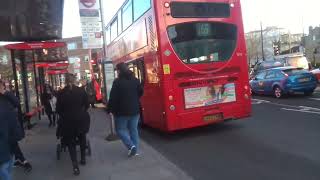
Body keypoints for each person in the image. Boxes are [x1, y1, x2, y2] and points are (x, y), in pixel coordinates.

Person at [56, 74, 90, 176]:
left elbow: (58, 110)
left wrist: (65, 115)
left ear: (65, 81)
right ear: (75, 80)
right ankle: (83, 158)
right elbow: (87, 105)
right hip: (81, 119)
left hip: (67, 121)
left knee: (70, 143)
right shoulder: (81, 91)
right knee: (82, 137)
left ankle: (75, 165)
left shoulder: (61, 93)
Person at [107, 63, 143, 157]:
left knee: (120, 130)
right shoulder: (135, 80)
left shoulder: (117, 82)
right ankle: (135, 149)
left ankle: (131, 147)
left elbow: (113, 98)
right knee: (133, 130)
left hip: (121, 112)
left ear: (119, 71)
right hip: (135, 110)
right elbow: (140, 92)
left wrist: (110, 109)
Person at [0, 79, 24, 180]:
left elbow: (17, 102)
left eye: (1, 86)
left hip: (11, 134)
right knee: (3, 166)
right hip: (2, 136)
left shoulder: (6, 96)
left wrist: (5, 92)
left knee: (9, 160)